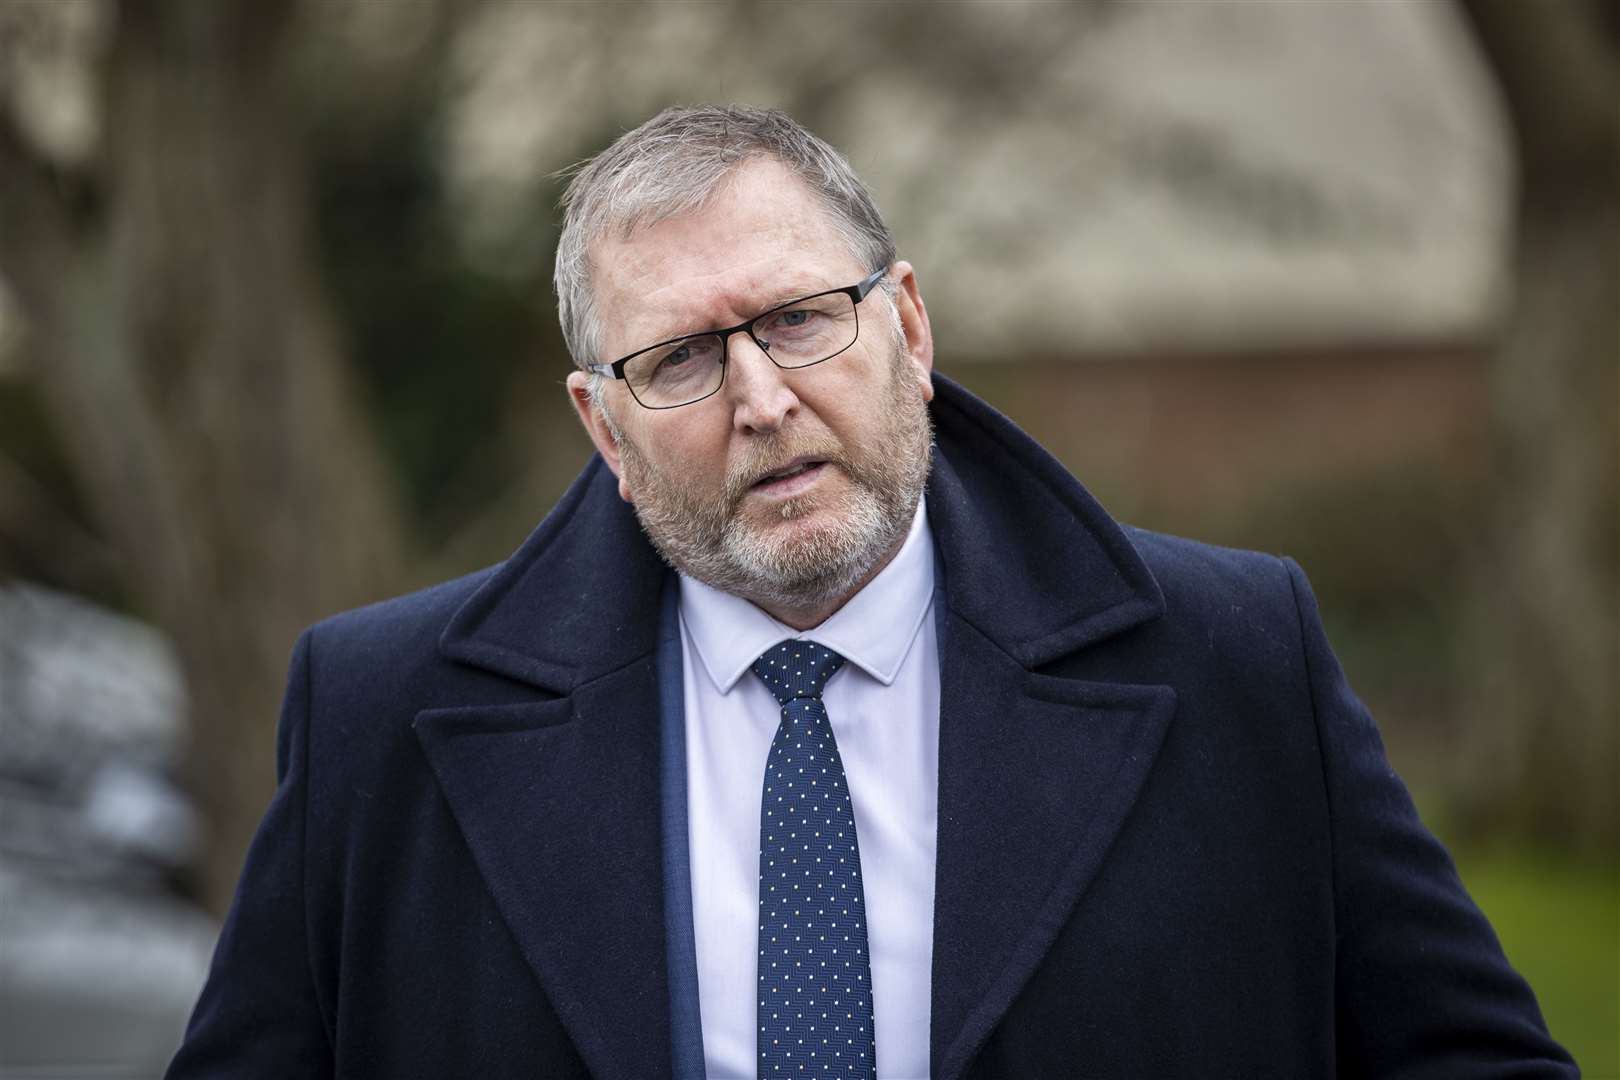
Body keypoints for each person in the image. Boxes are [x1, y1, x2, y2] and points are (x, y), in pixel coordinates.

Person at [168, 105, 1574, 1080]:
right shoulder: (383, 716)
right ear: (603, 427)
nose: (764, 400)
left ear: (905, 322)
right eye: (681, 362)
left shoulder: (1229, 657)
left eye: (797, 318)